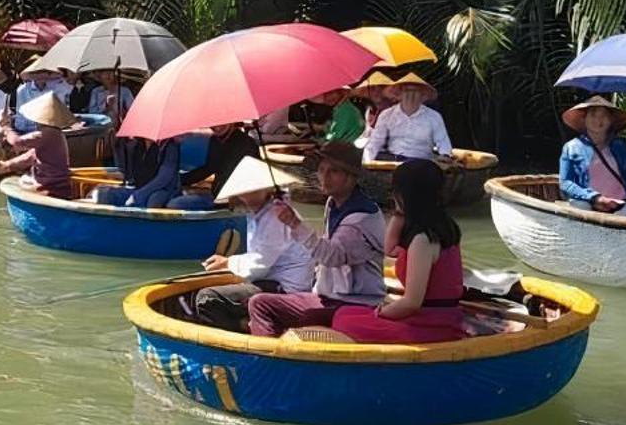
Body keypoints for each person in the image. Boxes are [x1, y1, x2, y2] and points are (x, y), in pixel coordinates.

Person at [245, 143, 388, 334]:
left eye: (334, 172)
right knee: (259, 303)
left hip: (355, 301)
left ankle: (270, 359)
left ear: (351, 177)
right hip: (327, 295)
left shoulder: (360, 215)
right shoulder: (333, 203)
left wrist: (295, 223)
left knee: (307, 319)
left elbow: (332, 256)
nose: (324, 177)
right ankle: (269, 354)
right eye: (322, 170)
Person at [329, 160, 469, 343]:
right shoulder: (443, 225)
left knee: (344, 321)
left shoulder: (422, 240)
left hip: (431, 326)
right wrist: (400, 211)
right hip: (436, 318)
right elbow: (390, 249)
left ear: (405, 195)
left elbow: (411, 303)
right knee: (345, 313)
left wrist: (381, 313)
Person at [182, 157, 315, 331]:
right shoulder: (258, 214)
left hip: (286, 288)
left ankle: (248, 329)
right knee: (196, 296)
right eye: (243, 191)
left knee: (207, 298)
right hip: (270, 280)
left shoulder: (277, 216)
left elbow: (261, 264)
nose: (246, 195)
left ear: (265, 189)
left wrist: (228, 262)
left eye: (252, 190)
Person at [558, 95, 626, 215]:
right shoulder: (571, 147)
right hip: (586, 201)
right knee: (582, 210)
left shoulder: (621, 145)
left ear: (611, 121)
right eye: (593, 115)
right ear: (584, 119)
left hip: (619, 202)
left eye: (604, 116)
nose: (598, 120)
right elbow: (565, 183)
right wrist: (594, 197)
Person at [0, 92, 76, 198]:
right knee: (24, 179)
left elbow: (17, 142)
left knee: (25, 181)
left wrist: (6, 127)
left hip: (52, 186)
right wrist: (7, 165)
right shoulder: (51, 133)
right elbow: (30, 157)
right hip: (49, 182)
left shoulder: (48, 133)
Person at [360, 73, 452, 161]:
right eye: (406, 90)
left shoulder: (434, 117)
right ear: (399, 94)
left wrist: (445, 155)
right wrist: (365, 162)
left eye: (415, 91)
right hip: (393, 162)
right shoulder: (387, 115)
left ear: (422, 95)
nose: (410, 95)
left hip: (423, 163)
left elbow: (443, 142)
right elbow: (375, 142)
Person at [176, 122, 261, 207]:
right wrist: (180, 180)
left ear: (232, 122)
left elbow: (252, 178)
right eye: (213, 123)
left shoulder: (247, 143)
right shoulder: (215, 140)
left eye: (221, 123)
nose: (216, 126)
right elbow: (209, 168)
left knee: (176, 204)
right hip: (217, 196)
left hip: (235, 200)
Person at [94, 137, 184, 208]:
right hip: (138, 188)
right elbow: (130, 176)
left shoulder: (170, 146)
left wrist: (139, 195)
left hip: (162, 191)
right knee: (104, 194)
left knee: (154, 200)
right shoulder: (136, 145)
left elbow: (164, 178)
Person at [14, 64, 67, 130]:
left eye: (44, 72)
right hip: (29, 132)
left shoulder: (56, 88)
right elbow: (19, 122)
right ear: (32, 74)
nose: (41, 75)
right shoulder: (22, 90)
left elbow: (61, 116)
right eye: (37, 72)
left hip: (52, 130)